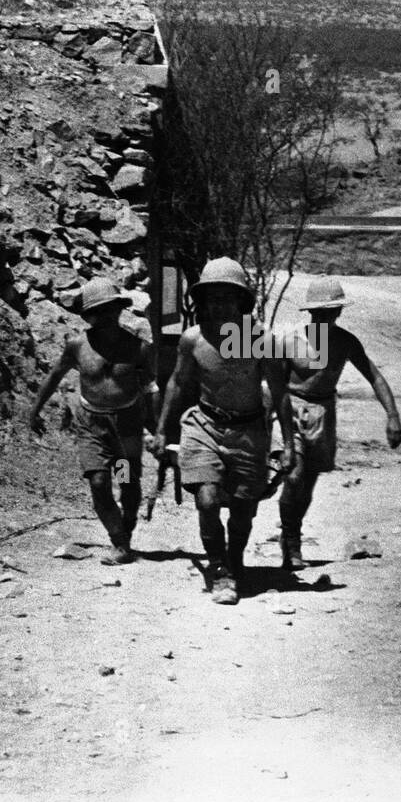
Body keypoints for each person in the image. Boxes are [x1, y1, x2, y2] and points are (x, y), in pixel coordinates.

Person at [150, 258, 294, 605]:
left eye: (228, 297)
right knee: (208, 499)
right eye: (212, 298)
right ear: (203, 302)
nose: (220, 305)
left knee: (243, 511)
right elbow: (177, 382)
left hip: (248, 430)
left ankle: (236, 558)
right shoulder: (192, 340)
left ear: (242, 301)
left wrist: (288, 443)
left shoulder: (261, 339)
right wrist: (159, 430)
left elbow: (279, 392)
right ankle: (218, 569)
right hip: (205, 424)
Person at [278, 277, 401, 571]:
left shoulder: (346, 342)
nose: (323, 317)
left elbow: (374, 376)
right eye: (318, 312)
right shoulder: (290, 339)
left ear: (339, 312)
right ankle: (291, 539)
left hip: (324, 411)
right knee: (293, 476)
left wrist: (393, 415)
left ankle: (291, 536)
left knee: (308, 482)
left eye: (329, 312)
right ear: (309, 312)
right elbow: (276, 384)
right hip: (292, 408)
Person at [30, 277, 158, 566]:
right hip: (91, 426)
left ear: (119, 309)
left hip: (125, 427)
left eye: (111, 308)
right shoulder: (77, 345)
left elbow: (151, 389)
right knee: (99, 482)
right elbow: (54, 376)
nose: (106, 316)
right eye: (99, 311)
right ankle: (119, 542)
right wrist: (34, 410)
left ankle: (128, 520)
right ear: (89, 315)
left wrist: (156, 428)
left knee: (127, 482)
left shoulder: (138, 347)